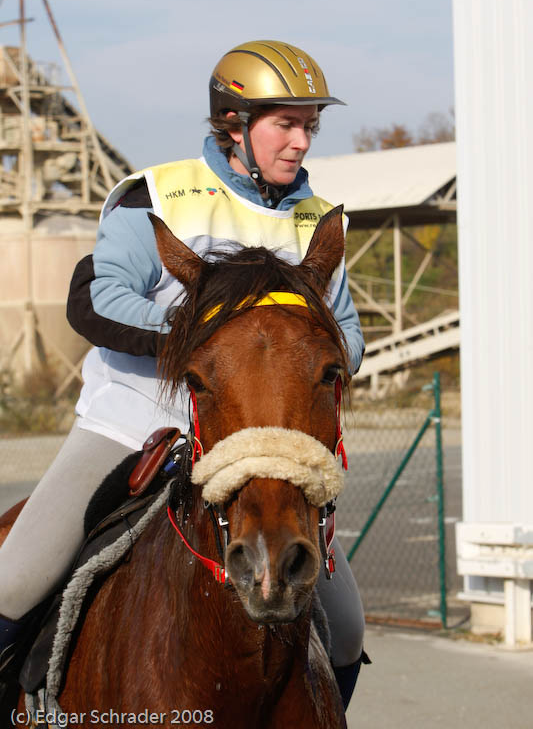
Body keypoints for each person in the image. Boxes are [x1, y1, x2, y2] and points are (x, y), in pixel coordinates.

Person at [0, 40, 366, 708]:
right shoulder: (157, 194)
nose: (300, 141)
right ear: (232, 122)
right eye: (285, 123)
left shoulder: (318, 222)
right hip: (133, 424)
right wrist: (212, 346)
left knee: (345, 632)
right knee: (12, 586)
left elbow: (347, 335)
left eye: (309, 125)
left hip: (264, 440)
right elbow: (100, 296)